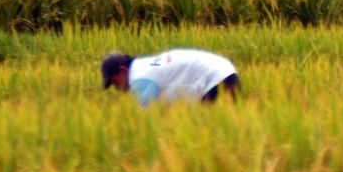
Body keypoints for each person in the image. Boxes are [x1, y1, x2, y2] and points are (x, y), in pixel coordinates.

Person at [101, 49, 240, 106]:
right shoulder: (143, 66)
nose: (116, 88)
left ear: (123, 70)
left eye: (114, 82)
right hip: (226, 72)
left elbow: (149, 123)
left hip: (217, 81)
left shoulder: (140, 79)